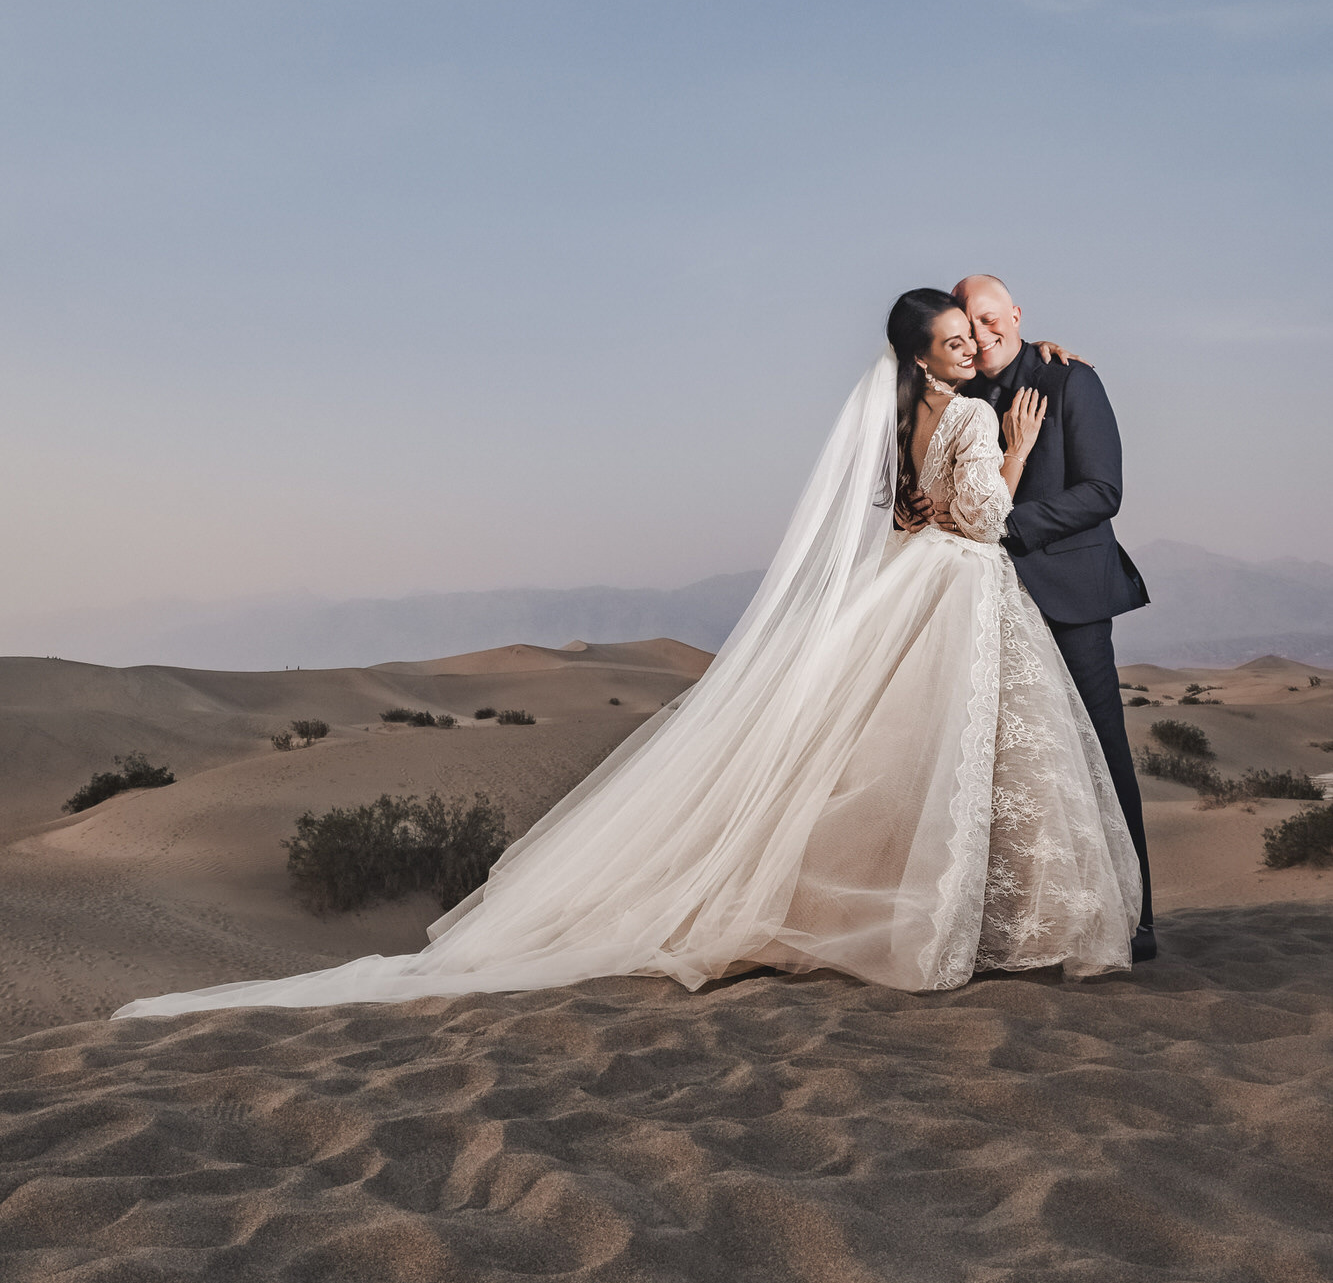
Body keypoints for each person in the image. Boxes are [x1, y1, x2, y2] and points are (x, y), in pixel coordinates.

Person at [113, 289, 1140, 1019]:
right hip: (958, 588)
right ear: (925, 353)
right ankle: (969, 926)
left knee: (916, 762)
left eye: (977, 331)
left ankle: (940, 912)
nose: (970, 346)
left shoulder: (902, 417)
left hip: (917, 587)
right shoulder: (962, 413)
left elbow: (916, 510)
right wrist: (1007, 452)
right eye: (955, 336)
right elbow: (979, 515)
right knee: (954, 759)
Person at [947, 273, 1155, 960]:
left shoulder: (1071, 381)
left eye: (988, 319)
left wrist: (1006, 523)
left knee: (1100, 755)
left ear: (1014, 313)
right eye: (968, 326)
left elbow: (1102, 490)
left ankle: (1135, 918)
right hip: (993, 604)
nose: (981, 335)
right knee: (1010, 771)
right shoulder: (962, 395)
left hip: (1071, 597)